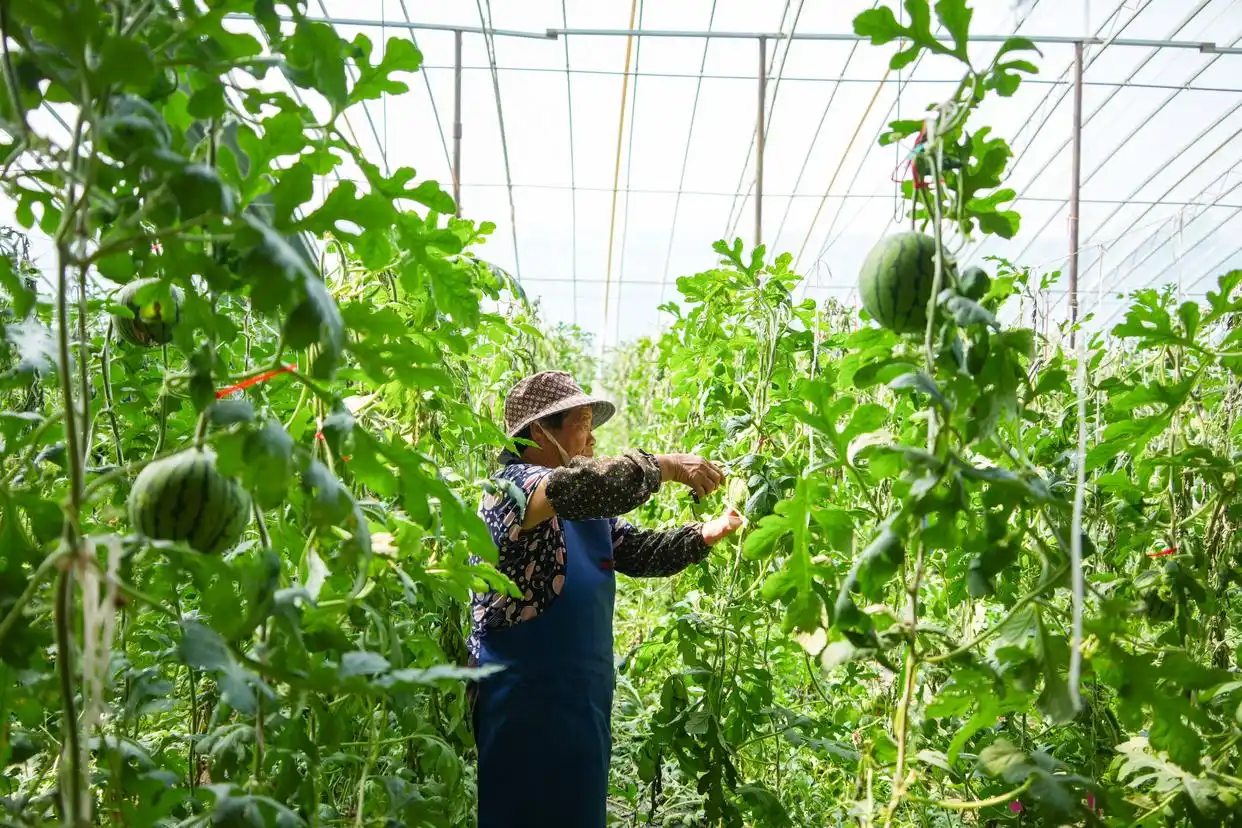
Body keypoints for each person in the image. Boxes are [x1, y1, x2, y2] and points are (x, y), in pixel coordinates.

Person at [468, 370, 743, 828]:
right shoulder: (511, 491)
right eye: (581, 422)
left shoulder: (583, 507)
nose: (591, 437)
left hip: (582, 701)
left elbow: (638, 551)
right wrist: (666, 466)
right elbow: (585, 484)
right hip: (522, 703)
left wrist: (707, 533)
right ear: (539, 432)